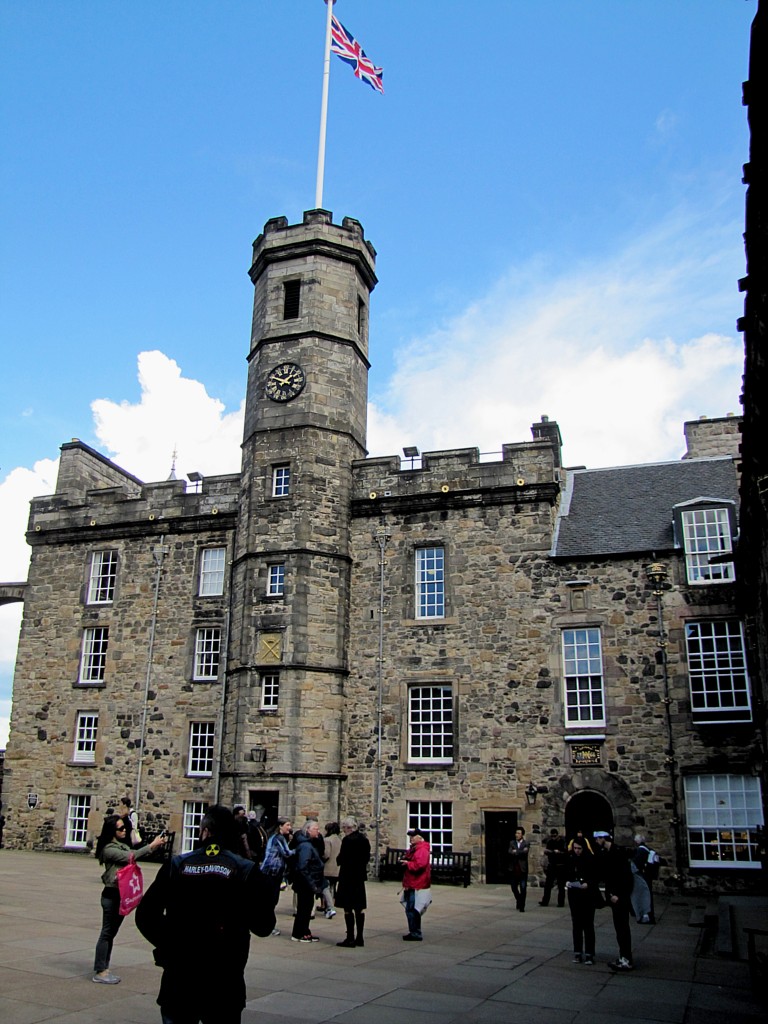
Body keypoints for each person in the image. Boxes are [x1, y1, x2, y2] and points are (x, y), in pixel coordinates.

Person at [136, 804, 275, 1023]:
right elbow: (264, 926)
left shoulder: (177, 864)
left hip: (181, 975)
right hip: (224, 977)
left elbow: (145, 916)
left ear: (205, 831)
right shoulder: (246, 870)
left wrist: (172, 944)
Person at [92, 813, 167, 984]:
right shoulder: (109, 849)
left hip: (120, 895)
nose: (124, 830)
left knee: (111, 933)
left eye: (124, 827)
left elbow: (133, 851)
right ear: (112, 831)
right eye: (120, 828)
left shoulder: (120, 845)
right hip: (111, 895)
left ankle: (104, 967)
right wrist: (152, 845)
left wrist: (153, 846)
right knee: (107, 933)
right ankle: (100, 970)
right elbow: (130, 857)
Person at [594, 829, 634, 971]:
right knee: (620, 929)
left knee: (623, 928)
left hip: (620, 898)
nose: (597, 842)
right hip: (614, 897)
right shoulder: (608, 853)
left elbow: (626, 877)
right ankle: (624, 956)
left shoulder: (618, 853)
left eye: (598, 839)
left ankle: (626, 959)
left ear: (603, 838)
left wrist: (620, 895)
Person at [334, 817, 371, 947]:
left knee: (348, 908)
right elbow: (366, 857)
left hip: (348, 877)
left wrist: (339, 860)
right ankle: (359, 937)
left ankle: (350, 938)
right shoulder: (364, 840)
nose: (343, 830)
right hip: (359, 878)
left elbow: (342, 858)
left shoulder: (347, 840)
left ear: (349, 828)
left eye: (344, 828)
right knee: (359, 909)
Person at [565, 837, 600, 964]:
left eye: (579, 848)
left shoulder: (590, 859)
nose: (577, 851)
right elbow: (567, 873)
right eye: (575, 848)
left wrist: (588, 883)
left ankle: (589, 953)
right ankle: (578, 952)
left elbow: (595, 876)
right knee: (576, 924)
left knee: (588, 924)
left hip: (587, 895)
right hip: (574, 894)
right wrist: (568, 881)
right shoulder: (571, 858)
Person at [290, 820, 325, 942]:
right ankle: (300, 933)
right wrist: (312, 884)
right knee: (304, 909)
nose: (318, 831)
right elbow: (303, 867)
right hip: (305, 883)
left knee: (306, 908)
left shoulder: (309, 844)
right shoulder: (305, 846)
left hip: (307, 882)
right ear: (308, 830)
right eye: (316, 828)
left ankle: (303, 931)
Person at [259, 816, 294, 936]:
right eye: (287, 825)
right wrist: (300, 848)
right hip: (271, 872)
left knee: (270, 900)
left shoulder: (276, 837)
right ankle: (268, 926)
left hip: (271, 872)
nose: (289, 828)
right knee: (271, 901)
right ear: (280, 826)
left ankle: (265, 924)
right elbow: (287, 853)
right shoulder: (278, 838)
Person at [399, 827, 432, 941]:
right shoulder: (415, 849)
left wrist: (407, 864)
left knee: (413, 910)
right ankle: (413, 931)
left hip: (417, 884)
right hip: (412, 883)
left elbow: (420, 865)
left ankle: (416, 933)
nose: (411, 838)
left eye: (413, 836)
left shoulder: (421, 849)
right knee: (410, 909)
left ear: (420, 838)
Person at [632, 834, 657, 923]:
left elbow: (636, 865)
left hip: (643, 876)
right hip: (648, 875)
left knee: (644, 896)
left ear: (637, 842)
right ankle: (648, 915)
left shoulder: (640, 851)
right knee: (647, 895)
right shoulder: (648, 849)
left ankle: (647, 916)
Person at [539, 828, 567, 907]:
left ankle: (561, 902)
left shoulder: (562, 842)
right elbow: (548, 851)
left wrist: (559, 852)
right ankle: (545, 901)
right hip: (552, 865)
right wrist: (548, 852)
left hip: (560, 865)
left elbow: (565, 853)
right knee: (548, 884)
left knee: (561, 885)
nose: (553, 837)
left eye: (555, 836)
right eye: (552, 836)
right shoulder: (550, 842)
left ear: (557, 835)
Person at [322, 821, 342, 918]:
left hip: (328, 868)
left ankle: (329, 907)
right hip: (337, 868)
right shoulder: (340, 840)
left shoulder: (327, 840)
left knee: (326, 888)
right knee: (333, 888)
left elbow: (326, 854)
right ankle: (330, 906)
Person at [508, 826, 530, 912]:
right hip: (514, 868)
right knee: (514, 887)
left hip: (522, 869)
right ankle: (519, 899)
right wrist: (518, 852)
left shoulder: (526, 843)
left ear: (522, 834)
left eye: (519, 833)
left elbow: (525, 852)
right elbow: (510, 852)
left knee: (523, 888)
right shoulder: (512, 843)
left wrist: (516, 852)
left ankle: (522, 906)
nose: (517, 835)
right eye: (516, 833)